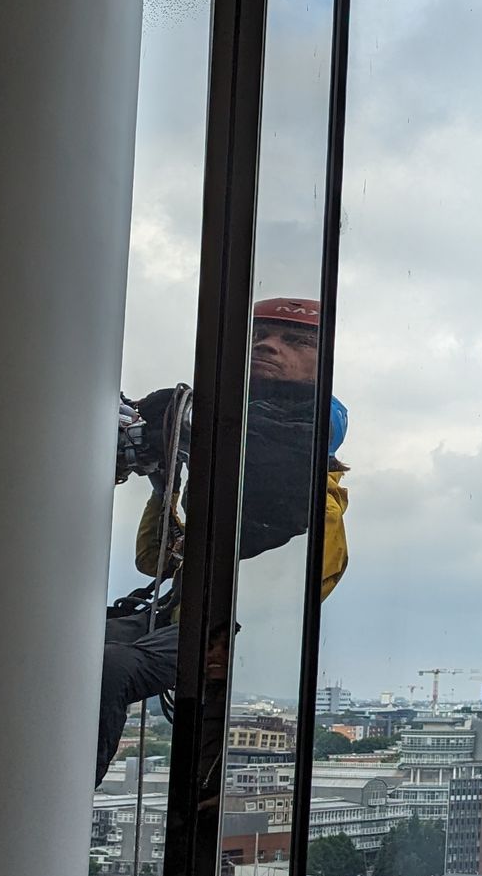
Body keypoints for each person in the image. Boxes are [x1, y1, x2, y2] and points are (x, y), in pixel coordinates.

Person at [97, 297, 350, 781]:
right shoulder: (227, 449)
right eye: (260, 337)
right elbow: (155, 561)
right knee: (66, 643)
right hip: (179, 617)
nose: (268, 346)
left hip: (223, 630)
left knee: (111, 668)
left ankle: (56, 790)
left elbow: (309, 575)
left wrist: (184, 434)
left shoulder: (304, 456)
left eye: (295, 342)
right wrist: (162, 477)